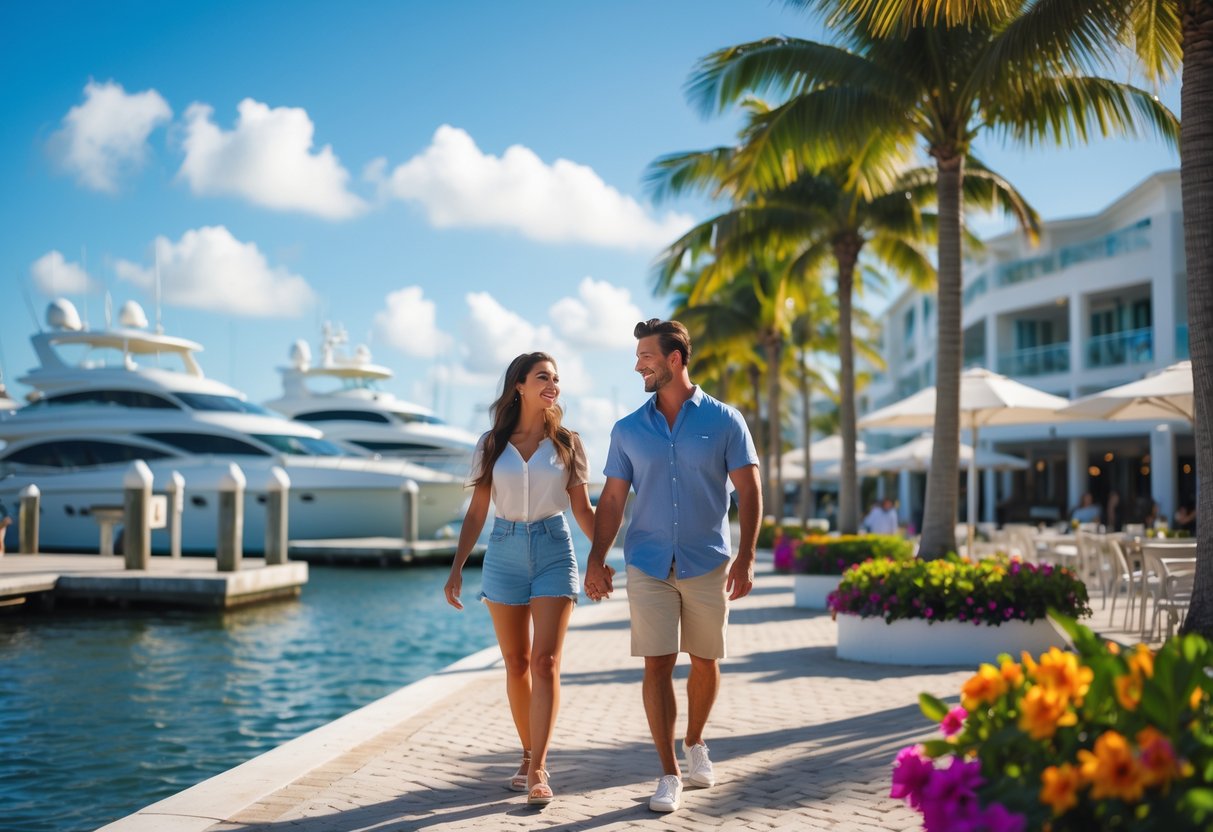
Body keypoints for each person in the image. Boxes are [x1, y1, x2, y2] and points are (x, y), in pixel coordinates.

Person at [583, 319, 761, 814]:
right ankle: (668, 773)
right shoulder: (627, 429)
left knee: (705, 661)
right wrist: (597, 559)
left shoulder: (726, 421)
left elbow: (749, 490)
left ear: (675, 359)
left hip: (707, 560)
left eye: (646, 355)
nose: (638, 363)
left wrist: (746, 556)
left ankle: (696, 740)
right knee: (657, 663)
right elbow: (613, 500)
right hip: (648, 562)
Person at [444, 352, 596, 806]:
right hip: (504, 550)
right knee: (515, 663)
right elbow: (476, 513)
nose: (553, 385)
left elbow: (583, 510)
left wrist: (602, 557)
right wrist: (455, 569)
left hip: (554, 546)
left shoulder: (568, 443)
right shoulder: (491, 444)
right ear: (520, 387)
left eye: (556, 378)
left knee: (545, 661)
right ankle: (527, 750)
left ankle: (538, 767)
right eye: (543, 377)